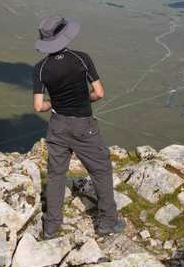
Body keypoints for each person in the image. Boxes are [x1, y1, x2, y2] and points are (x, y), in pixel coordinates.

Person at [32, 15, 125, 239]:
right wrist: (84, 99)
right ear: (65, 35)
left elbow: (38, 106)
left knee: (56, 175)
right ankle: (107, 223)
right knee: (101, 170)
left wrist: (55, 102)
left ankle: (51, 228)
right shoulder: (81, 59)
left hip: (57, 126)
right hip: (84, 125)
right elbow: (99, 93)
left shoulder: (40, 68)